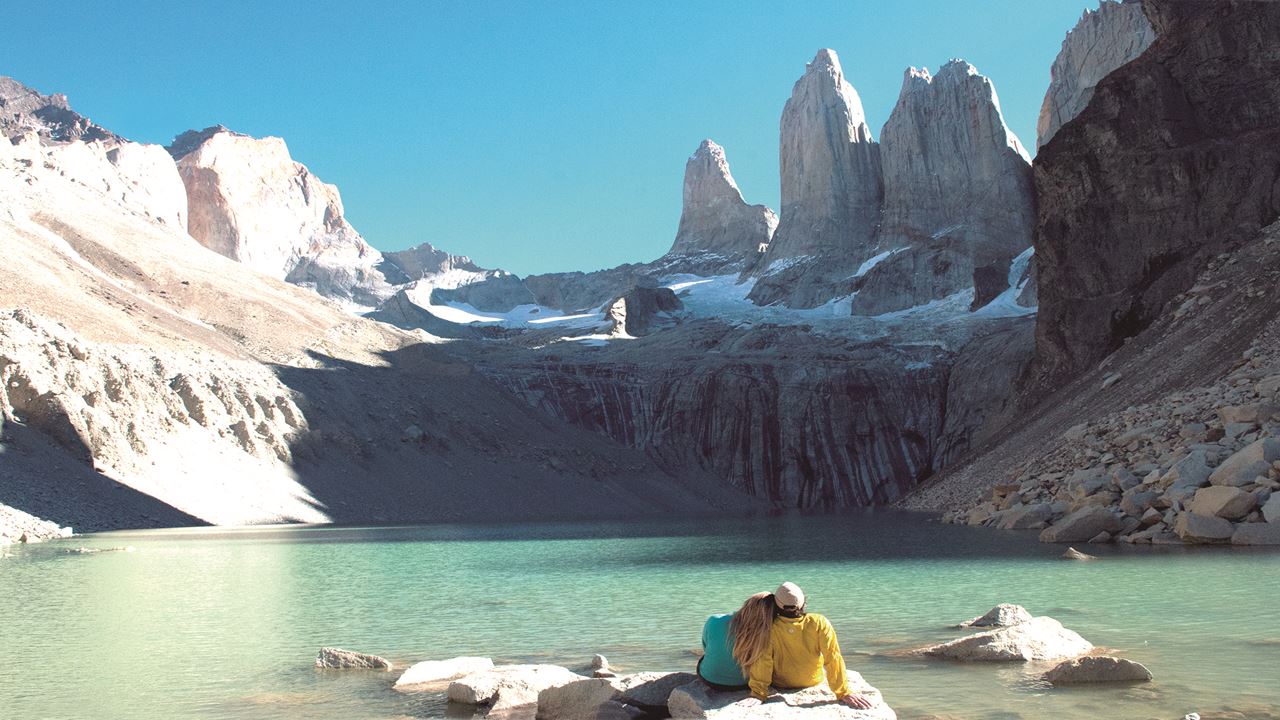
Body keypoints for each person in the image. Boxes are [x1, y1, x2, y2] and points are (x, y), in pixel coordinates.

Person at [740, 582, 874, 710]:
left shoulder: (769, 626)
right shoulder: (818, 622)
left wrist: (758, 693)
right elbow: (833, 657)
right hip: (812, 680)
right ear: (803, 602)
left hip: (781, 683)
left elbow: (763, 661)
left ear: (776, 605)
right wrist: (843, 692)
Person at [696, 592, 771, 689]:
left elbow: (705, 646)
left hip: (711, 679)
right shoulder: (769, 630)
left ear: (747, 604)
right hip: (746, 683)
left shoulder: (714, 620)